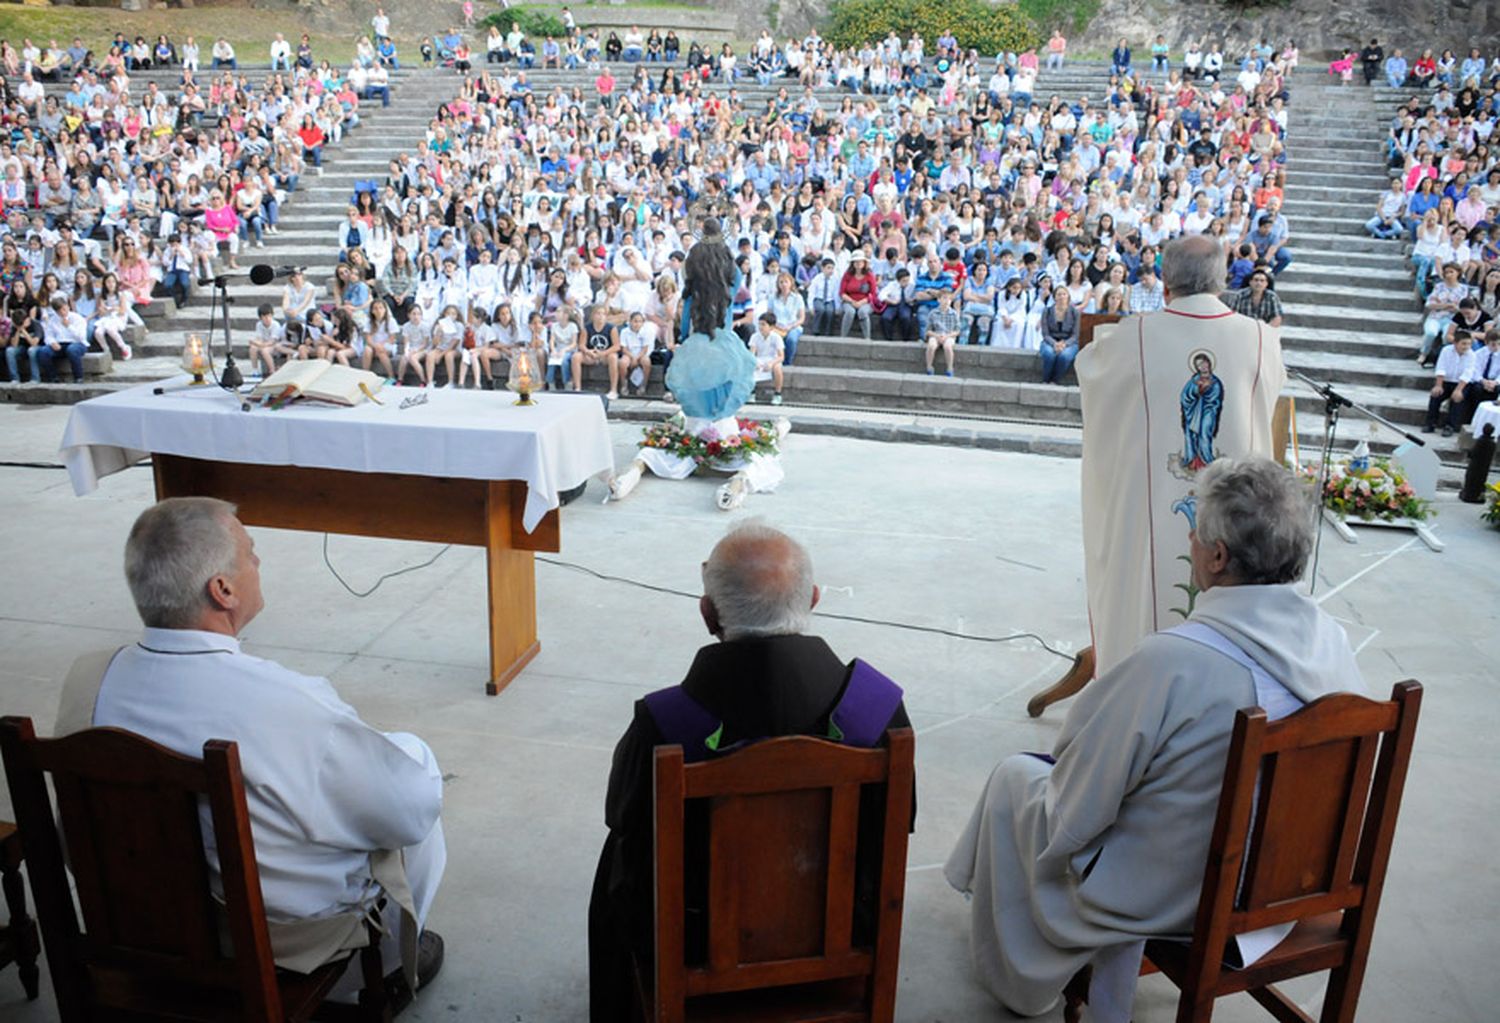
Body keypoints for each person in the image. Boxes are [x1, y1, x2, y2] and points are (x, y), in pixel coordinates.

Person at [946, 458, 1365, 1023]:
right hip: (1286, 890)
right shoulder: (1332, 642)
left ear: (1217, 557)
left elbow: (1079, 799)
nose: (1189, 540)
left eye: (1195, 529)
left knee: (1018, 779)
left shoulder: (1174, 660)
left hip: (1178, 897)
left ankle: (1017, 974)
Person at [55, 498, 448, 1001]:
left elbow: (72, 838)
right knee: (413, 770)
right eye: (251, 553)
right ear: (222, 590)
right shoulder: (287, 702)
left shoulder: (88, 679)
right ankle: (381, 973)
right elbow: (408, 813)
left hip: (140, 925)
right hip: (274, 947)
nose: (258, 565)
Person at [587, 523, 913, 1022]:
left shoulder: (665, 725)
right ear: (815, 600)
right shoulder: (878, 710)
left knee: (620, 849)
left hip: (695, 946)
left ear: (707, 613)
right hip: (843, 933)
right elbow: (902, 821)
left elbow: (622, 819)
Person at [1075, 233, 1286, 678]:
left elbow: (1090, 371)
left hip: (1151, 510)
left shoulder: (1132, 336)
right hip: (1236, 514)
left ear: (1165, 283)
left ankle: (1134, 692)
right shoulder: (1261, 338)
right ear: (1223, 280)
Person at [1426, 330, 1476, 437]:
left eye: (1468, 344)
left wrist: (1458, 390)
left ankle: (1450, 426)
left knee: (1458, 400)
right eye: (1463, 343)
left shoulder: (1471, 355)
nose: (1466, 347)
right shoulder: (1446, 351)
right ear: (1455, 343)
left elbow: (1468, 373)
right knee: (1435, 396)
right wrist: (1438, 385)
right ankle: (1430, 423)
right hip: (1446, 381)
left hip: (1461, 383)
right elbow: (1441, 367)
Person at [925, 286, 960, 377]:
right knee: (931, 345)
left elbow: (957, 330)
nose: (947, 301)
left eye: (949, 299)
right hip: (936, 334)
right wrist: (936, 336)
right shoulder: (933, 313)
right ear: (939, 300)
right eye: (944, 298)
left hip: (949, 335)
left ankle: (949, 368)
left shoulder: (954, 314)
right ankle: (929, 367)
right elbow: (928, 330)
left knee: (948, 346)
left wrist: (947, 336)